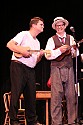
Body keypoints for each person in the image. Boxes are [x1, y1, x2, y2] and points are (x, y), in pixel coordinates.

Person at [6, 17, 45, 125]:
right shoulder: (24, 34)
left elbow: (35, 61)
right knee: (16, 93)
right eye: (41, 24)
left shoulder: (37, 42)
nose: (43, 26)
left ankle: (32, 121)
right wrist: (22, 51)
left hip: (30, 70)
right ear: (34, 25)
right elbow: (9, 44)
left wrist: (40, 56)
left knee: (31, 96)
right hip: (18, 66)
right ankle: (13, 121)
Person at [45, 17, 79, 125]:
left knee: (71, 96)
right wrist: (60, 51)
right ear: (55, 27)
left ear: (65, 26)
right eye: (57, 25)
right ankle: (56, 122)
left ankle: (72, 121)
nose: (59, 27)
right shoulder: (51, 39)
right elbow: (47, 55)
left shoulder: (71, 38)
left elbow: (75, 55)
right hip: (56, 69)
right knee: (56, 97)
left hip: (69, 68)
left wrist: (74, 50)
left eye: (61, 25)